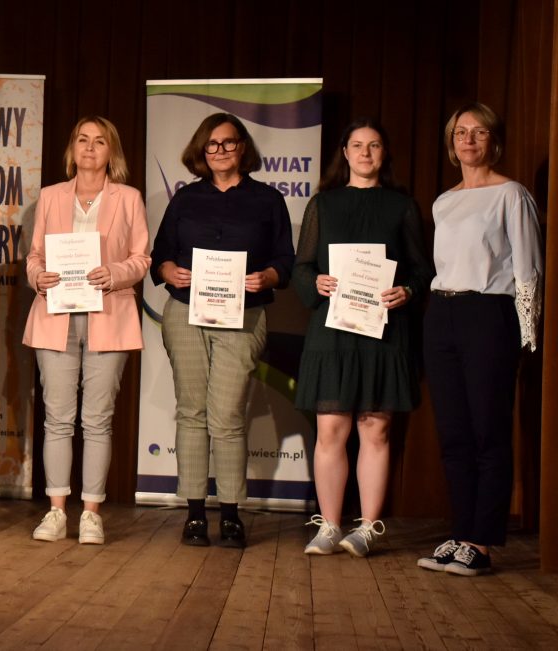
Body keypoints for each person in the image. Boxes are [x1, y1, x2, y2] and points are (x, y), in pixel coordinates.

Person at [150, 113, 294, 548]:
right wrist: (168, 270)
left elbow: (284, 261)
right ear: (201, 150)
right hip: (185, 313)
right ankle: (195, 514)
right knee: (192, 411)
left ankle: (231, 514)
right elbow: (161, 253)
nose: (220, 151)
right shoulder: (185, 198)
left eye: (228, 143)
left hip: (243, 316)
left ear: (242, 147)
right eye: (212, 144)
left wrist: (268, 277)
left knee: (227, 415)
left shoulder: (268, 200)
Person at [292, 119, 433, 557]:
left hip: (383, 330)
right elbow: (301, 268)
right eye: (357, 145)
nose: (365, 153)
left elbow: (422, 270)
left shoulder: (401, 206)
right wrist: (314, 283)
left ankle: (368, 528)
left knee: (375, 428)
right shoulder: (323, 204)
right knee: (330, 428)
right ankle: (329, 526)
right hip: (332, 331)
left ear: (383, 153)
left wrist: (407, 290)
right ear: (345, 152)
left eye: (374, 145)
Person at [417, 102, 542, 576]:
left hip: (489, 314)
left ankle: (481, 542)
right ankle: (460, 532)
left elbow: (528, 270)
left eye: (479, 132)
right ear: (452, 143)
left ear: (494, 140)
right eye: (460, 132)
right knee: (454, 432)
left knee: (489, 430)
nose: (468, 139)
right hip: (442, 313)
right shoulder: (444, 201)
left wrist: (527, 335)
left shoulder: (511, 194)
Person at [22, 116, 150, 545]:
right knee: (57, 419)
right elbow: (35, 255)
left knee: (97, 420)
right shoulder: (50, 196)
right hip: (55, 315)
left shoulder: (128, 198)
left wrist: (114, 273)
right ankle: (57, 511)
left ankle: (92, 514)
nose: (90, 148)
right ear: (72, 149)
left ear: (111, 151)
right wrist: (37, 276)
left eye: (99, 141)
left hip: (109, 315)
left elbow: (141, 258)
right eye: (83, 140)